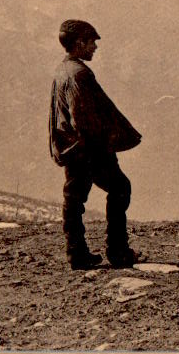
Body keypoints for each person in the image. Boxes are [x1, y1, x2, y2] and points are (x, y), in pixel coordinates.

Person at [49, 19, 142, 269]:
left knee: (74, 197)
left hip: (71, 147)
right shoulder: (80, 73)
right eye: (92, 42)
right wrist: (104, 145)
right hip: (88, 149)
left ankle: (76, 253)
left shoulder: (63, 69)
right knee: (120, 187)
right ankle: (117, 251)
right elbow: (84, 119)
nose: (95, 47)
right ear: (79, 43)